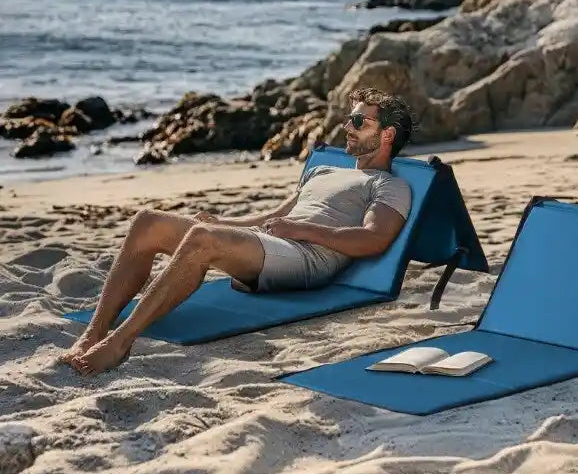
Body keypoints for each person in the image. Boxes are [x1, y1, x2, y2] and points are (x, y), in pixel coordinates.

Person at [62, 88, 414, 375]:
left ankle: (120, 342)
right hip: (276, 243)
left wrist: (301, 230)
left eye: (358, 121)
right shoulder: (324, 171)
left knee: (202, 240)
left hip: (307, 259)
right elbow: (272, 217)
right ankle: (95, 331)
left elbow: (374, 239)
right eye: (349, 118)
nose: (348, 126)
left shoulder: (389, 186)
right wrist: (223, 224)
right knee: (147, 222)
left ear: (387, 134)